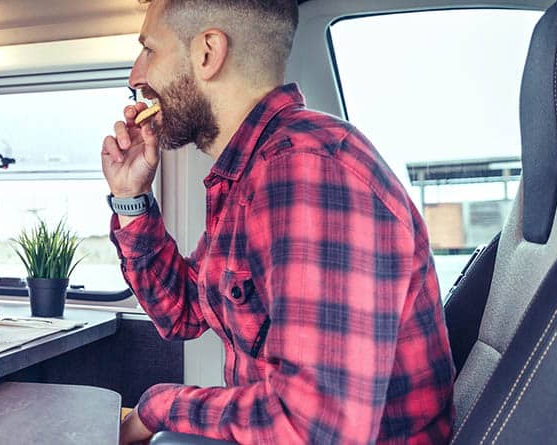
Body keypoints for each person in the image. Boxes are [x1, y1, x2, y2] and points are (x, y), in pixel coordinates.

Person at [103, 0, 454, 443]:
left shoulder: (308, 170)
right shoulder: (251, 175)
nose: (136, 75)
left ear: (208, 52)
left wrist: (157, 408)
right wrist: (131, 198)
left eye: (149, 50)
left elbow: (314, 427)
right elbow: (184, 313)